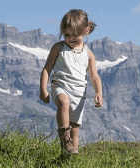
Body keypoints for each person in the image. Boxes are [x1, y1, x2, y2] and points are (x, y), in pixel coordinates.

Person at [40, 9, 103, 155]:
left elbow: (94, 76)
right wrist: (43, 89)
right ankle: (64, 139)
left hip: (79, 93)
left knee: (75, 130)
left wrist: (99, 92)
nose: (71, 38)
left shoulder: (88, 53)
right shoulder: (58, 48)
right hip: (60, 86)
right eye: (67, 35)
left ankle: (71, 158)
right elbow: (46, 69)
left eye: (76, 35)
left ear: (86, 31)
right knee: (63, 102)